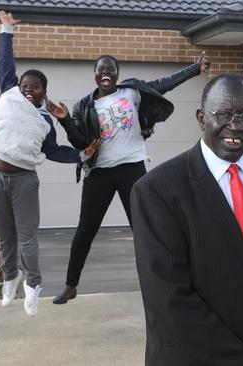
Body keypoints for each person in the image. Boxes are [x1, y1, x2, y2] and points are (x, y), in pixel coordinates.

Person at [130, 74, 243, 365]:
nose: (235, 125)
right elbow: (169, 300)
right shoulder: (157, 190)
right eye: (223, 114)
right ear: (200, 118)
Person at [46, 48, 208, 304]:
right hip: (99, 172)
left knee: (143, 228)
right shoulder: (84, 106)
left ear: (117, 74)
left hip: (131, 168)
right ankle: (70, 285)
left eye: (111, 69)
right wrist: (65, 120)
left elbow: (163, 84)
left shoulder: (132, 92)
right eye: (101, 69)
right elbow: (80, 142)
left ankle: (156, 284)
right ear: (95, 75)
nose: (106, 73)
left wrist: (193, 70)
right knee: (85, 230)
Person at [0, 11, 99, 316]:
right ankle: (10, 277)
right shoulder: (10, 92)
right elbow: (6, 61)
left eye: (34, 87)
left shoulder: (45, 119)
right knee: (4, 236)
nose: (27, 89)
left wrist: (82, 154)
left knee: (28, 238)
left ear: (43, 92)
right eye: (25, 85)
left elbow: (54, 152)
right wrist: (6, 29)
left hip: (23, 181)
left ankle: (33, 286)